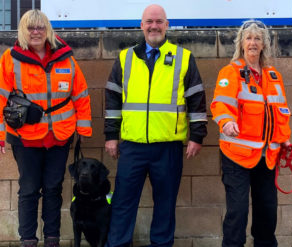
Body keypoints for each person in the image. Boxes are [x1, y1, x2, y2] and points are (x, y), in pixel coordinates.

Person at [104, 4, 207, 247]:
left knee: (165, 204)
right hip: (132, 145)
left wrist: (197, 136)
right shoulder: (125, 58)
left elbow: (197, 99)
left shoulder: (183, 57)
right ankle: (118, 244)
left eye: (159, 21)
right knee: (122, 203)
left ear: (167, 25)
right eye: (149, 21)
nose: (154, 26)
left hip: (168, 147)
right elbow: (112, 99)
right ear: (141, 25)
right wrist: (111, 135)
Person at [0, 9, 92, 247]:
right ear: (22, 31)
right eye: (30, 27)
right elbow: (0, 99)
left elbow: (80, 94)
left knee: (53, 189)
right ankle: (28, 240)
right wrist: (1, 136)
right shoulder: (10, 59)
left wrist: (83, 129)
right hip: (26, 138)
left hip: (60, 137)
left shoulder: (66, 58)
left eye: (40, 27)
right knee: (29, 190)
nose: (36, 32)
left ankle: (53, 240)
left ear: (48, 29)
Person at [210, 20, 291, 247]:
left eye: (257, 39)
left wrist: (284, 139)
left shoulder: (273, 76)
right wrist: (226, 122)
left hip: (267, 157)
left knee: (267, 212)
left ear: (264, 44)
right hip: (237, 156)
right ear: (241, 44)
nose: (253, 43)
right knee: (238, 213)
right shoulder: (231, 72)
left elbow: (281, 112)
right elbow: (220, 104)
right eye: (248, 38)